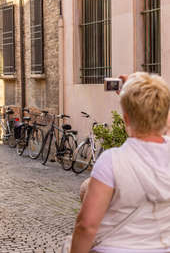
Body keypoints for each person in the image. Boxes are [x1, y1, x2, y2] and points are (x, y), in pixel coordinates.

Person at [70, 72, 170, 252]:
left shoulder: (112, 161)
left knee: (86, 186)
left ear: (126, 119)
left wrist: (131, 100)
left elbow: (86, 226)